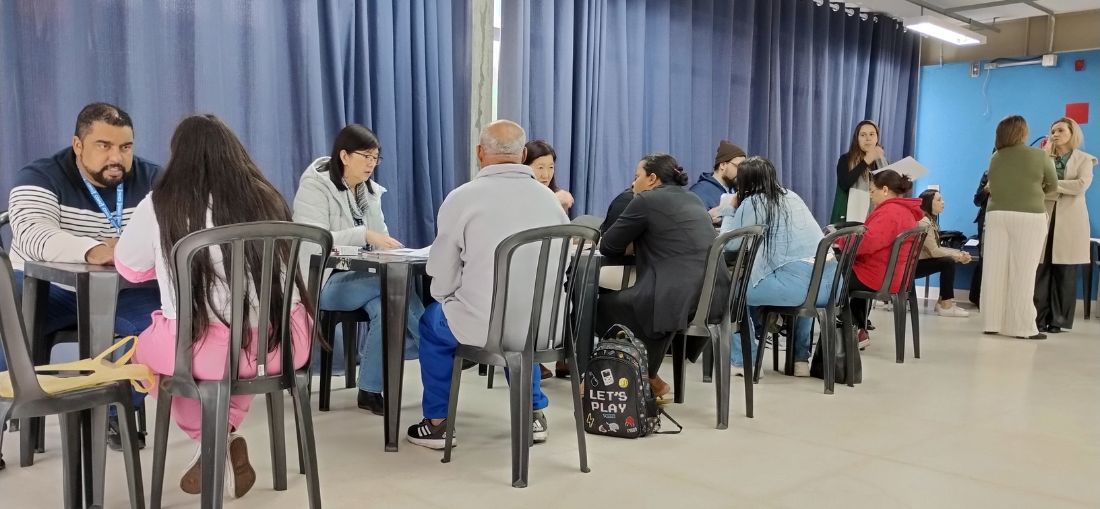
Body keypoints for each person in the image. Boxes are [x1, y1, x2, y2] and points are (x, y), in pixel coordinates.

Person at [116, 115, 314, 499]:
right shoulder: (269, 197)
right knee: (237, 350)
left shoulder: (161, 204)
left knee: (144, 354)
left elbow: (129, 268)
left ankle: (213, 441)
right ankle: (224, 438)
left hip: (205, 350)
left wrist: (168, 259)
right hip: (283, 344)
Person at [3, 102, 160, 450]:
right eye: (104, 146)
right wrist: (94, 250)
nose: (116, 157)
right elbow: (31, 234)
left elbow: (174, 233)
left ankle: (115, 413)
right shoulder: (40, 176)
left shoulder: (153, 180)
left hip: (122, 291)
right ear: (78, 145)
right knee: (3, 308)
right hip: (47, 289)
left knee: (160, 323)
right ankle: (4, 414)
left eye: (125, 147)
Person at [406, 120, 568, 449]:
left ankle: (437, 424)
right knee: (521, 331)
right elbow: (562, 266)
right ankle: (533, 414)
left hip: (483, 326)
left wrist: (449, 300)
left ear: (480, 153)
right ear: (523, 155)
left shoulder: (462, 198)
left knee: (432, 323)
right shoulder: (550, 200)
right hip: (545, 327)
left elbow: (440, 272)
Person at [292, 124, 423, 414]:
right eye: (365, 156)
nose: (371, 164)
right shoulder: (315, 186)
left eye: (375, 158)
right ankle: (434, 345)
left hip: (361, 278)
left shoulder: (368, 192)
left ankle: (370, 390)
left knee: (387, 304)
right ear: (344, 156)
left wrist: (394, 249)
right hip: (320, 281)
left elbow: (381, 237)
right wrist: (363, 235)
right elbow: (313, 239)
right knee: (393, 283)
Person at [597, 154, 716, 398]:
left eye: (637, 176)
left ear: (652, 178)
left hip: (675, 295)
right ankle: (648, 376)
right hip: (711, 295)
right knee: (636, 299)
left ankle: (625, 376)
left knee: (602, 305)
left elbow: (608, 246)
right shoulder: (693, 198)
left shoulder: (646, 200)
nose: (633, 183)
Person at [720, 157, 836, 377]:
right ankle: (800, 360)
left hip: (795, 289)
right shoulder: (792, 196)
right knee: (806, 282)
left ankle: (745, 361)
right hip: (830, 286)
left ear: (744, 183)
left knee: (731, 292)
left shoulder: (753, 203)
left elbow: (729, 245)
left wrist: (728, 209)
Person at [981, 115, 1057, 340]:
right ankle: (1022, 327)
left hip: (996, 215)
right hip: (1029, 216)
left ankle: (992, 322)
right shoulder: (1040, 155)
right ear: (1023, 132)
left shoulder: (995, 157)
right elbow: (1053, 186)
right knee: (1024, 271)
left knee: (995, 269)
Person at [845, 170, 922, 348]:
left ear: (885, 190)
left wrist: (841, 242)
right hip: (895, 276)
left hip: (879, 277)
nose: (870, 195)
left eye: (872, 191)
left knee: (832, 279)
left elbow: (867, 242)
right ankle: (857, 328)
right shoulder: (905, 211)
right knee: (845, 274)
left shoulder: (890, 212)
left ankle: (847, 329)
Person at [1035, 117, 1096, 333]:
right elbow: (1036, 184)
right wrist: (1057, 186)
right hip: (1044, 217)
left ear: (1072, 133)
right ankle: (1037, 319)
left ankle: (1058, 321)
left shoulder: (1085, 159)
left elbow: (1080, 185)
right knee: (1040, 268)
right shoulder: (1042, 158)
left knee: (1065, 271)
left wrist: (1052, 184)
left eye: (1061, 130)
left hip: (1071, 220)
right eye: (1053, 131)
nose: (1055, 134)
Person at [915, 189, 972, 317]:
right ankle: (946, 305)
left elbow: (937, 248)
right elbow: (934, 251)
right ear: (928, 202)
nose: (943, 202)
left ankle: (942, 302)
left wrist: (959, 253)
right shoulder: (924, 222)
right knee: (948, 262)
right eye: (939, 200)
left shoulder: (930, 221)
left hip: (919, 262)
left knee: (948, 261)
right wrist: (958, 256)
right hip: (913, 267)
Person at [831, 120, 887, 224]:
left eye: (872, 134)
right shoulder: (846, 159)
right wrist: (866, 161)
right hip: (849, 217)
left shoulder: (882, 162)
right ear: (857, 139)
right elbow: (844, 184)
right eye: (863, 135)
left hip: (877, 215)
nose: (868, 138)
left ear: (877, 138)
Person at [691, 140, 746, 222]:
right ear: (723, 165)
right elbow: (695, 223)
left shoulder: (738, 190)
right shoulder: (699, 192)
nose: (742, 172)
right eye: (738, 167)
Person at [524, 140, 575, 210]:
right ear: (525, 166)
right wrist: (553, 200)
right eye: (540, 167)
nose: (546, 175)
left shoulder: (559, 196)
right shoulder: (519, 194)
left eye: (551, 167)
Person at [969, 171, 990, 307]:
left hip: (1005, 220)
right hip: (985, 220)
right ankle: (977, 297)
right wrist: (985, 190)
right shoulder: (988, 174)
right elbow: (977, 201)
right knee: (984, 257)